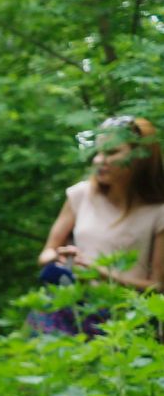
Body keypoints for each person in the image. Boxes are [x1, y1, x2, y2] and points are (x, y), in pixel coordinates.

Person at [36, 116, 164, 293]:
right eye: (98, 152)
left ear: (141, 157)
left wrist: (101, 273)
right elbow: (45, 254)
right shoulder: (80, 194)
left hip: (123, 315)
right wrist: (60, 257)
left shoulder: (159, 211)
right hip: (70, 307)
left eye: (111, 153)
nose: (98, 160)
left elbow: (158, 286)